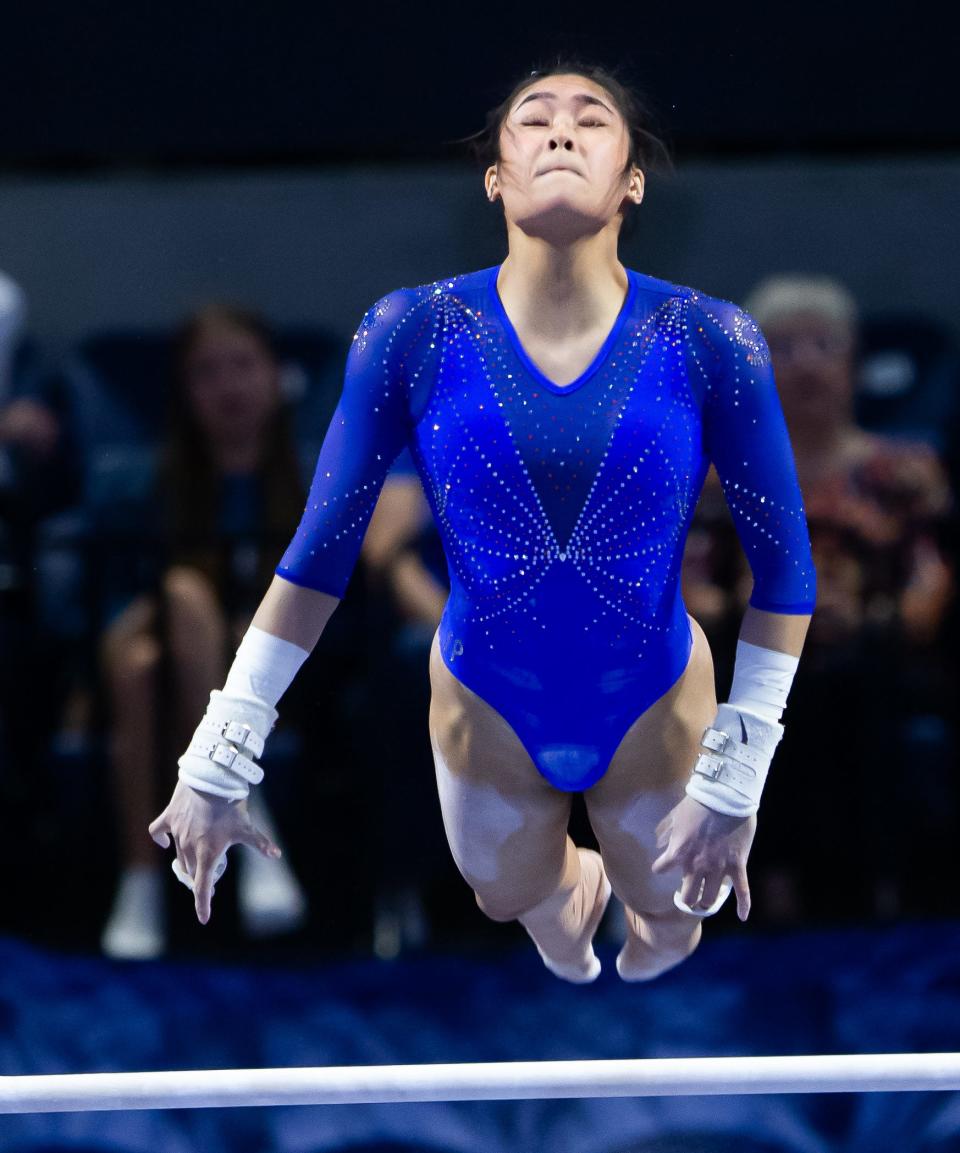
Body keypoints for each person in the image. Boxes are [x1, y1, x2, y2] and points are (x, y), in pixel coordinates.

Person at [149, 60, 816, 983]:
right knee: (510, 893)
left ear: (633, 180)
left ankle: (649, 924)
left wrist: (740, 772)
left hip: (655, 691)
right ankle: (568, 896)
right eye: (533, 120)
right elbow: (317, 561)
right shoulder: (414, 332)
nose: (561, 131)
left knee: (676, 907)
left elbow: (786, 575)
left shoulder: (709, 339)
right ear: (495, 176)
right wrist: (222, 756)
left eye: (593, 121)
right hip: (485, 696)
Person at [100, 304, 310, 958]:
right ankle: (247, 809)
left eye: (244, 366)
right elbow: (102, 608)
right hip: (145, 635)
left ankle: (138, 883)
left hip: (273, 676)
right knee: (179, 603)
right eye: (208, 372)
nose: (230, 386)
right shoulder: (143, 484)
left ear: (276, 377)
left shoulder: (316, 481)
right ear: (186, 392)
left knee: (151, 665)